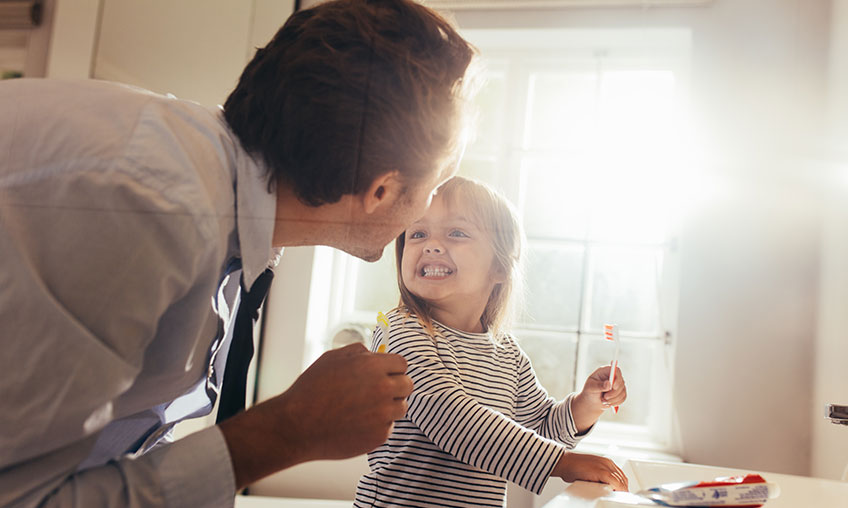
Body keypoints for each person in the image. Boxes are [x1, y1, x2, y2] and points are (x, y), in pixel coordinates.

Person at [0, 1, 476, 506]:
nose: (427, 211)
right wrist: (288, 431)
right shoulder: (152, 209)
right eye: (435, 185)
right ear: (381, 190)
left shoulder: (224, 210)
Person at [354, 177, 629, 507]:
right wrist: (561, 463)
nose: (431, 245)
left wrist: (586, 404)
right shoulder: (401, 331)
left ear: (499, 266)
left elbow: (542, 429)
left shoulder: (508, 354)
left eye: (456, 233)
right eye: (417, 233)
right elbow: (450, 417)